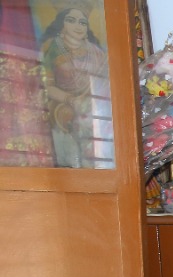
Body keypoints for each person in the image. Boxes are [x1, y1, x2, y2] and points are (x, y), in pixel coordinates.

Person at [40, 0, 113, 169]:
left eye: (82, 22)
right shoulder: (52, 48)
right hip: (62, 103)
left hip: (94, 105)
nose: (78, 26)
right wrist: (72, 100)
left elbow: (107, 84)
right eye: (71, 20)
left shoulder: (96, 52)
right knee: (70, 118)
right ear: (62, 24)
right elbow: (45, 86)